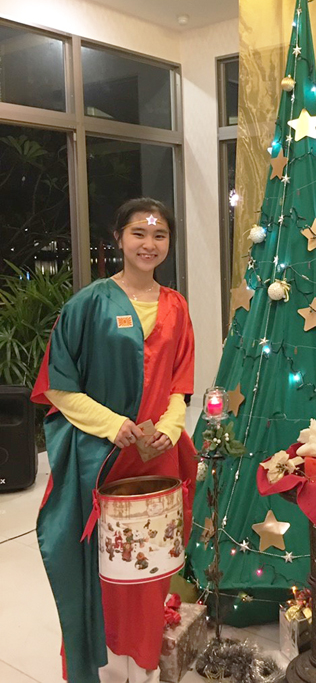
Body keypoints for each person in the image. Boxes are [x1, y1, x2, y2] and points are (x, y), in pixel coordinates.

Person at [32, 198, 197, 683]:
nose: (149, 244)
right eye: (138, 233)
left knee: (150, 564)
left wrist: (169, 429)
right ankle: (104, 663)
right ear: (118, 238)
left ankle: (142, 660)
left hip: (156, 456)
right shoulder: (88, 304)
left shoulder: (176, 305)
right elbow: (58, 386)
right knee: (101, 566)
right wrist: (112, 425)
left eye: (160, 235)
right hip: (101, 459)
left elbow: (180, 382)